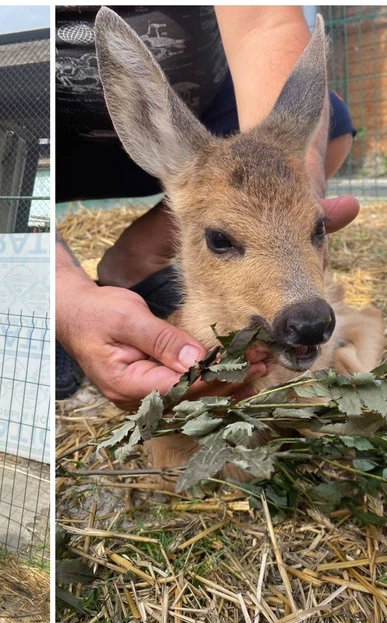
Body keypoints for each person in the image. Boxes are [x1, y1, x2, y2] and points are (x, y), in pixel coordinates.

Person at [55, 6, 360, 409]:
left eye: (316, 230)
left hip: (210, 113)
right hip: (64, 150)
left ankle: (132, 261)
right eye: (222, 240)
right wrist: (64, 300)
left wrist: (300, 190)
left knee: (334, 120)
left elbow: (265, 21)